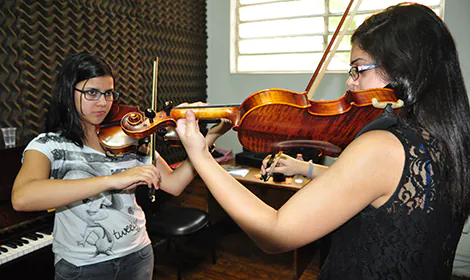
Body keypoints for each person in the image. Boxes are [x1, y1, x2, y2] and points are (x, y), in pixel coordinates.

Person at [174, 3, 470, 279]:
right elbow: (380, 191)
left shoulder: (383, 146)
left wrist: (200, 156)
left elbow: (276, 233)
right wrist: (305, 170)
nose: (351, 82)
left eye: (358, 68)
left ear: (402, 66)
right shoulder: (445, 140)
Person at [11, 52, 230, 280]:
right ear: (69, 92)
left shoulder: (128, 139)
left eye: (108, 93)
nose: (103, 102)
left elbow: (174, 184)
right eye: (92, 93)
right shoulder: (49, 145)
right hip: (82, 267)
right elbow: (22, 197)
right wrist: (112, 180)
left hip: (138, 255)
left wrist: (209, 138)